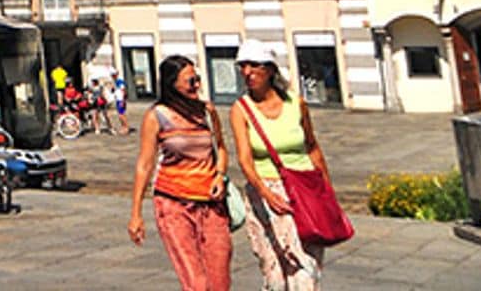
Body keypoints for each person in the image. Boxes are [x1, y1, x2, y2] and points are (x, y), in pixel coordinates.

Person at [230, 40, 331, 290]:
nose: (247, 72)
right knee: (274, 272)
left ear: (270, 70)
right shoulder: (241, 109)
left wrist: (326, 191)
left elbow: (312, 147)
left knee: (304, 268)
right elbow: (244, 159)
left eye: (254, 66)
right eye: (242, 66)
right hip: (264, 193)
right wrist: (266, 193)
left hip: (304, 189)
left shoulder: (296, 104)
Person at [126, 56, 231, 290]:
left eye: (198, 80)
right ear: (172, 84)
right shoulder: (156, 116)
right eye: (190, 81)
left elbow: (221, 148)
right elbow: (144, 164)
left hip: (211, 205)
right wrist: (136, 214)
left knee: (220, 283)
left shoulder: (207, 112)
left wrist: (219, 175)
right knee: (197, 283)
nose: (197, 85)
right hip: (173, 205)